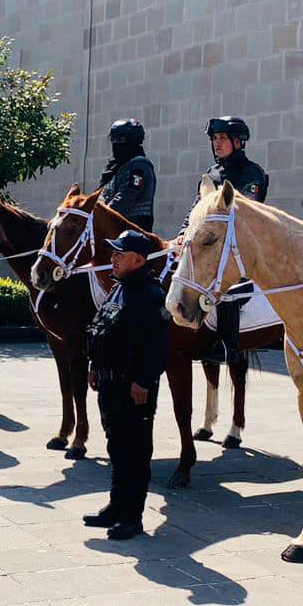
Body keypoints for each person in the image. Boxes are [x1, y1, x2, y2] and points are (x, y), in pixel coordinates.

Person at [83, 229, 170, 540]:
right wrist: (94, 365)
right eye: (113, 252)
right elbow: (102, 329)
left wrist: (144, 380)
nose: (113, 258)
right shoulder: (119, 289)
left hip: (134, 389)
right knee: (116, 448)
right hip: (109, 383)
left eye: (120, 254)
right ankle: (116, 507)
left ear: (138, 259)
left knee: (135, 452)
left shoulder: (151, 294)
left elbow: (159, 345)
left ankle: (132, 517)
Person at [198, 116, 268, 364]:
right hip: (210, 245)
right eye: (214, 139)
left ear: (238, 142)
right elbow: (197, 209)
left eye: (222, 138)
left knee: (228, 287)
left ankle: (227, 346)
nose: (217, 143)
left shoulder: (253, 174)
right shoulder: (211, 174)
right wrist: (185, 232)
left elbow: (244, 212)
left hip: (240, 246)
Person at [97, 118, 157, 230]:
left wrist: (99, 216)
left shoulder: (139, 166)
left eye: (119, 141)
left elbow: (125, 199)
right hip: (111, 228)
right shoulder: (116, 168)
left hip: (132, 232)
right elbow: (101, 195)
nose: (115, 145)